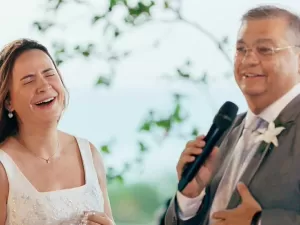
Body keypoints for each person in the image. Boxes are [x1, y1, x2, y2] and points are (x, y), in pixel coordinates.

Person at [165, 5, 300, 225]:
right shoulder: (227, 131)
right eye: (241, 49)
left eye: (265, 49)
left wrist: (258, 221)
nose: (248, 60)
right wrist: (190, 199)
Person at [0, 39, 115, 225]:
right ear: (8, 102)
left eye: (49, 74)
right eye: (28, 80)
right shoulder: (3, 169)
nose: (44, 86)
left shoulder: (89, 154)